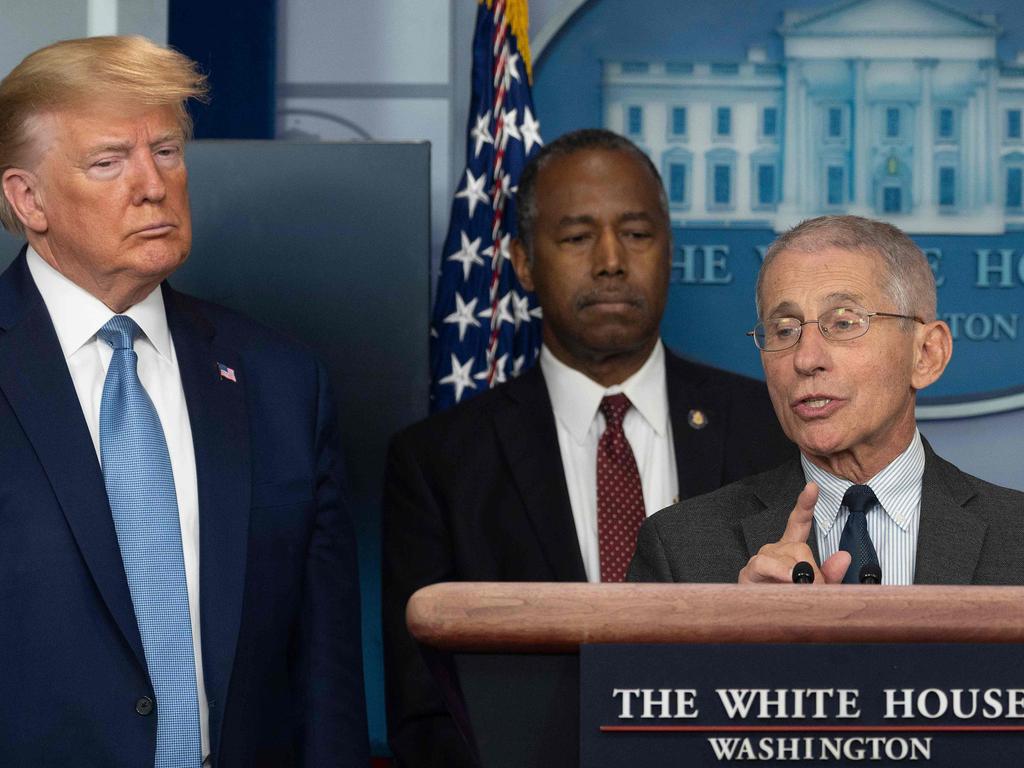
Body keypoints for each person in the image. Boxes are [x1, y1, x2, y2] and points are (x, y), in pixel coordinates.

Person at [0, 36, 368, 766]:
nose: (152, 184)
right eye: (109, 161)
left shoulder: (282, 383)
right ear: (28, 198)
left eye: (165, 151)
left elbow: (325, 673)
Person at [382, 128, 795, 767]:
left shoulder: (772, 430)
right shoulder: (440, 462)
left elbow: (818, 672)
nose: (610, 260)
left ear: (669, 247)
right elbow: (428, 714)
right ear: (522, 261)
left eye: (636, 234)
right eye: (577, 237)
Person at [629, 214, 1024, 586]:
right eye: (783, 330)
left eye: (844, 323)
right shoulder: (680, 548)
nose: (806, 359)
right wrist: (745, 636)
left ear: (926, 355)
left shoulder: (1016, 537)